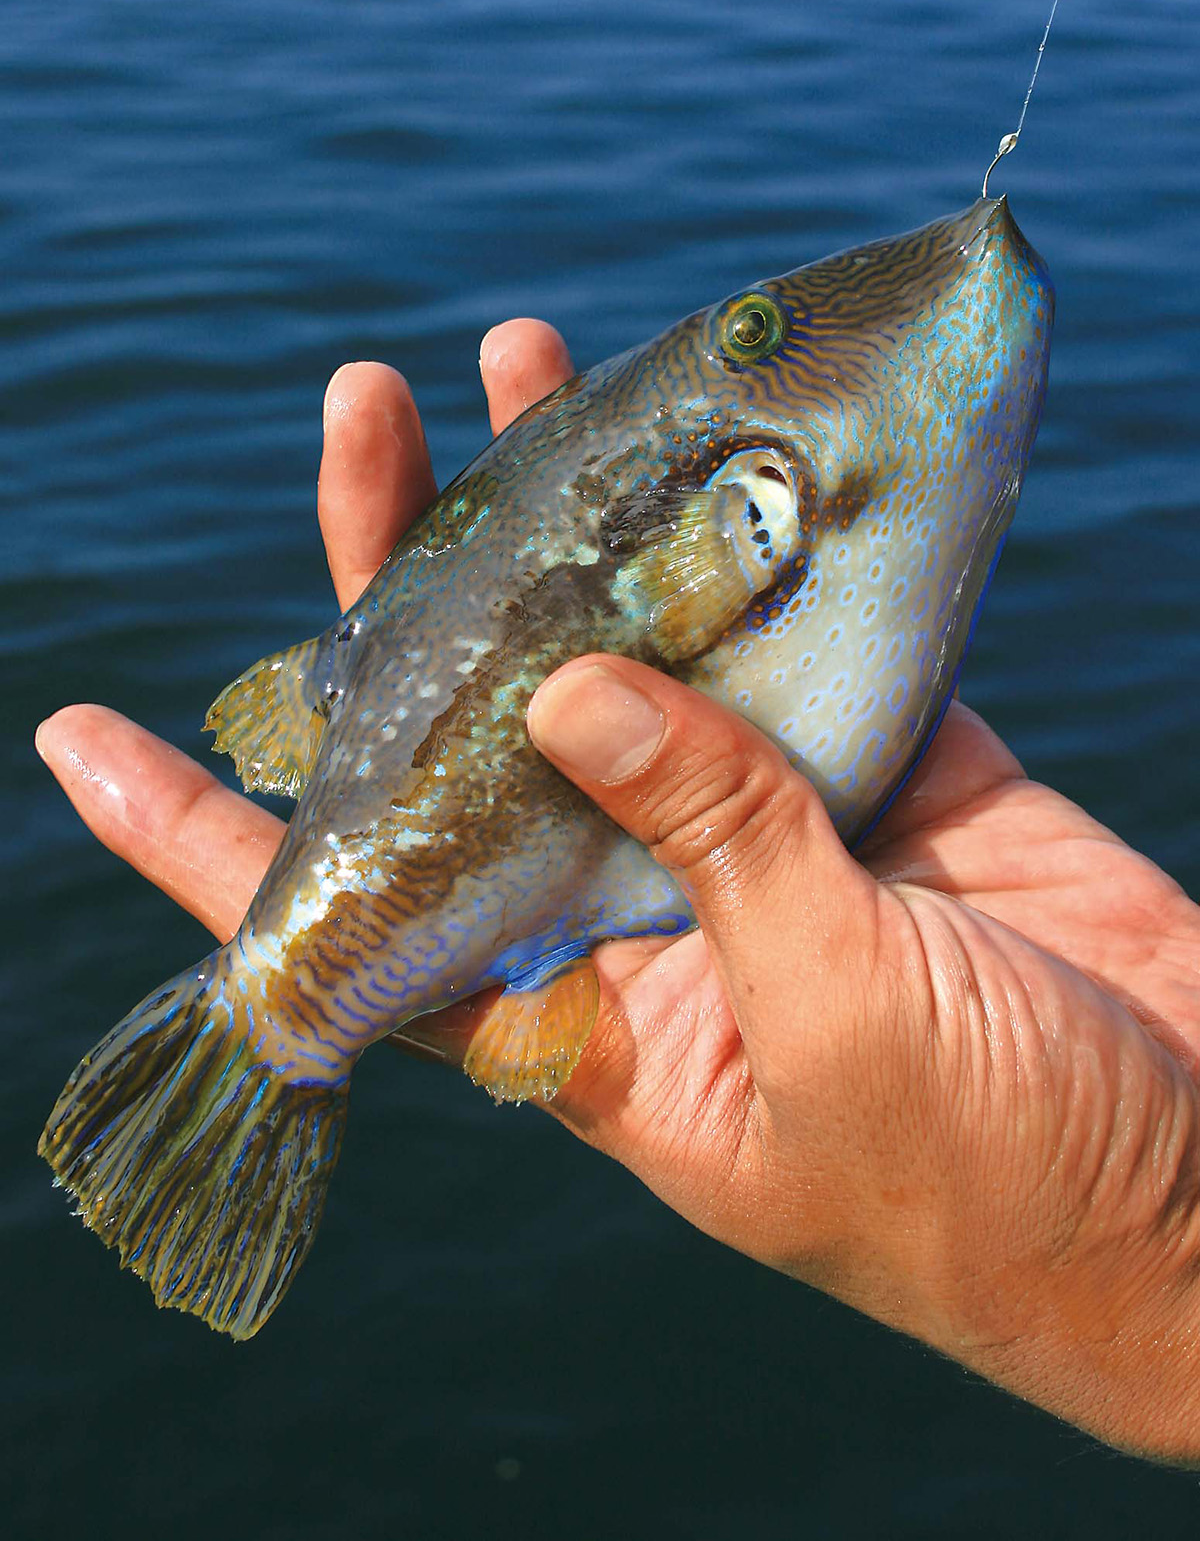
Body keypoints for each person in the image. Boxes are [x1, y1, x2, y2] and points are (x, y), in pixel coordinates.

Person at [35, 323, 1200, 1464]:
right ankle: (284, 1021)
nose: (763, 336)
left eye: (753, 330)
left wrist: (1155, 1268)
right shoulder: (750, 494)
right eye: (759, 332)